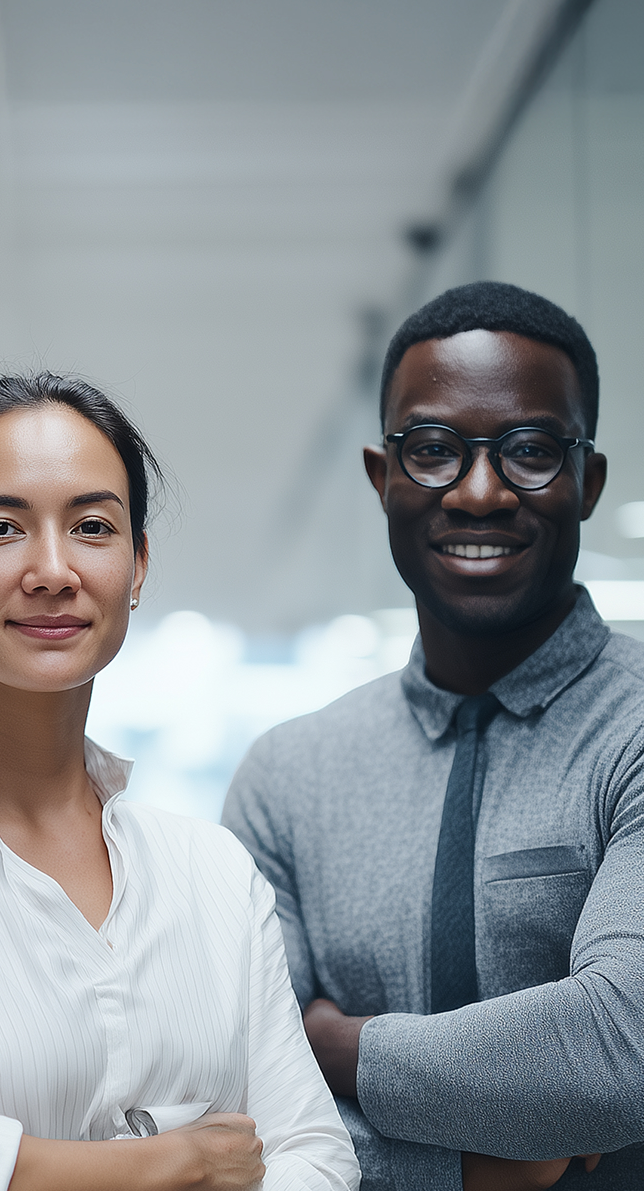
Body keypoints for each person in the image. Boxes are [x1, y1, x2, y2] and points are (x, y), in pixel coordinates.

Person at [0, 373, 359, 1191]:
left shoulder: (215, 874)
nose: (53, 569)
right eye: (2, 527)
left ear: (138, 564)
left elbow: (318, 1160)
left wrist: (5, 1162)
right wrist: (180, 1158)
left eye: (91, 526)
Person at [222, 281, 644, 1190]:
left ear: (589, 482)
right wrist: (466, 1168)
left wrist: (333, 1043)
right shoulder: (289, 777)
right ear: (384, 478)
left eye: (530, 451)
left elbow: (620, 1049)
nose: (482, 491)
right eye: (434, 451)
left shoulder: (635, 729)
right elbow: (241, 1093)